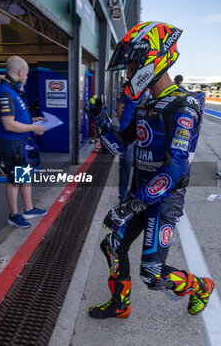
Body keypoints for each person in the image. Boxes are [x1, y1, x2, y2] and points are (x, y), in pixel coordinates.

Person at [86, 21, 214, 319]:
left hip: (162, 200)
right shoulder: (148, 102)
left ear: (151, 59)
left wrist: (129, 206)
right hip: (140, 193)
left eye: (131, 66)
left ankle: (201, 286)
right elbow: (118, 147)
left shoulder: (183, 107)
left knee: (153, 275)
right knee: (113, 244)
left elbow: (174, 171)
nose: (129, 73)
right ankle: (120, 305)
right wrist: (100, 119)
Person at [0, 56, 47, 229]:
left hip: (18, 144)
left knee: (24, 176)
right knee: (14, 180)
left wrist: (33, 119)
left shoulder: (12, 91)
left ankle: (29, 209)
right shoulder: (5, 93)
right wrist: (32, 127)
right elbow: (9, 124)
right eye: (25, 74)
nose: (26, 77)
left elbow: (17, 116)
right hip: (11, 144)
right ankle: (13, 215)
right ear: (19, 72)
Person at [117, 84, 148, 203]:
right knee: (126, 164)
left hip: (144, 133)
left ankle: (135, 194)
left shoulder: (150, 87)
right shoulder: (126, 87)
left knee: (139, 166)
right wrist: (127, 129)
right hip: (129, 133)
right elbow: (119, 109)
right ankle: (123, 196)